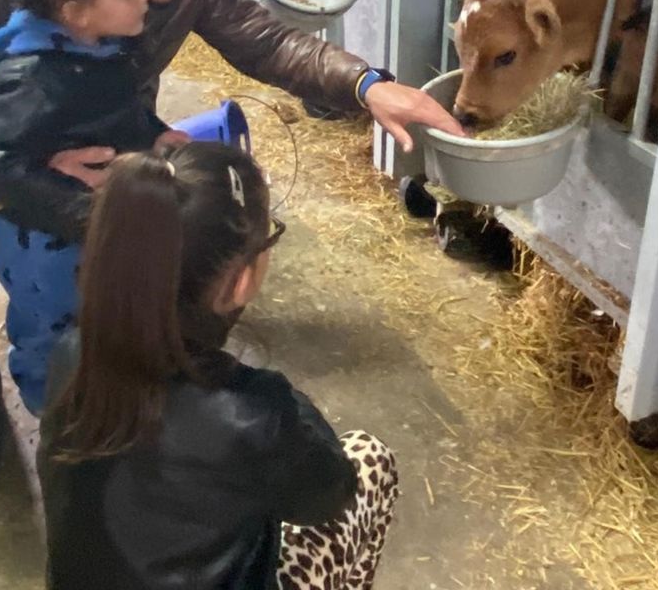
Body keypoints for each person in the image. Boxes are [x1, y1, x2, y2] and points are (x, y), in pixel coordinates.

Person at [0, 0, 460, 505]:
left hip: (113, 136)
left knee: (202, 193)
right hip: (4, 145)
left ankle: (162, 361)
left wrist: (366, 85)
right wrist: (3, 180)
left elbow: (264, 39)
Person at [38, 143, 400, 589]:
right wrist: (282, 400)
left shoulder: (71, 353)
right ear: (242, 280)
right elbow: (328, 494)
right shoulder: (252, 414)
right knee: (372, 458)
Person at [0, 0, 189, 416]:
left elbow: (118, 111)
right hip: (45, 245)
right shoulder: (28, 78)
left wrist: (154, 135)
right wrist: (82, 211)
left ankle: (113, 396)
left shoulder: (99, 48)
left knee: (106, 314)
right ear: (76, 12)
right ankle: (57, 418)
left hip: (98, 227)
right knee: (54, 334)